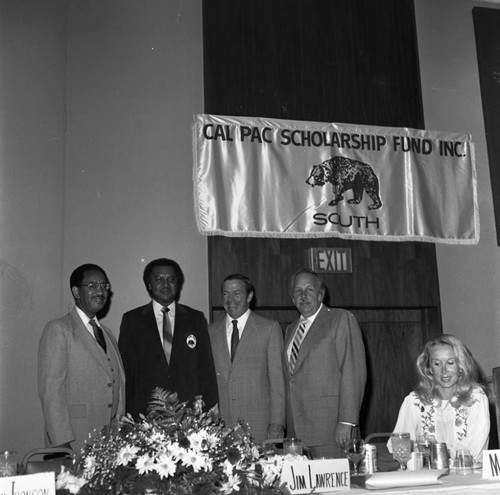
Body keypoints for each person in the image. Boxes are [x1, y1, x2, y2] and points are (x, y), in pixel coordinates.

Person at [38, 264, 125, 454]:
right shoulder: (59, 329)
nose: (100, 291)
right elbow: (51, 392)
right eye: (92, 285)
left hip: (108, 443)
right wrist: (61, 446)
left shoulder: (108, 333)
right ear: (76, 291)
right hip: (74, 443)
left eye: (104, 286)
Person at [119, 258, 218, 418]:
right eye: (159, 279)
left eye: (171, 279)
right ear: (149, 284)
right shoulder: (132, 320)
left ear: (178, 284)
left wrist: (209, 413)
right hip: (146, 412)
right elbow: (126, 372)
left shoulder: (195, 318)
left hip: (189, 412)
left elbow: (206, 370)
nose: (165, 284)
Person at [283, 268, 367, 458]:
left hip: (332, 431)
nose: (303, 296)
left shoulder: (340, 319)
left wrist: (347, 422)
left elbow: (353, 373)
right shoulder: (290, 330)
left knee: (337, 487)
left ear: (321, 294)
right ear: (292, 298)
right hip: (297, 433)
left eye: (309, 290)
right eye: (298, 291)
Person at [209, 274, 285, 442]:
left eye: (237, 294)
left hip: (259, 426)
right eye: (225, 294)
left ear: (250, 296)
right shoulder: (210, 332)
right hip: (221, 428)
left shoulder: (269, 329)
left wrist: (277, 422)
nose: (230, 299)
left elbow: (278, 382)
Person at [390, 334, 489, 462]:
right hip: (426, 477)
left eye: (450, 363)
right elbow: (400, 447)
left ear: (461, 366)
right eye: (437, 364)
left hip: (465, 475)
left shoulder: (475, 398)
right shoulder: (414, 401)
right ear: (429, 368)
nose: (444, 371)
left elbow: (473, 450)